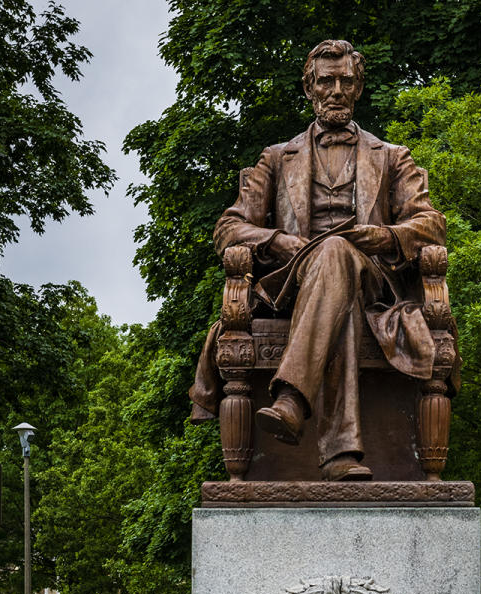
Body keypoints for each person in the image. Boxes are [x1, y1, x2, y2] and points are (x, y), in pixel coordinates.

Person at [189, 39, 451, 481]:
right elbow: (228, 228)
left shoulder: (390, 157)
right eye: (326, 81)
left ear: (358, 88)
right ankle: (339, 456)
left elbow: (431, 224)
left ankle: (292, 398)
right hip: (292, 284)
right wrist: (276, 240)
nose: (336, 89)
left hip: (373, 278)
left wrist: (385, 235)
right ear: (309, 88)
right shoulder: (276, 158)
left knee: (338, 254)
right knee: (335, 279)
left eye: (346, 81)